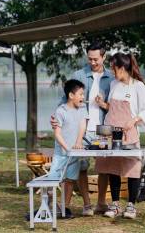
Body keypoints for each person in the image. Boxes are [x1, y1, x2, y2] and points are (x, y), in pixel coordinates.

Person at [50, 41, 114, 215]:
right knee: (81, 165)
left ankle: (101, 202)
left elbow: (114, 106)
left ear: (104, 56)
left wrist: (103, 103)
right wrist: (55, 117)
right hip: (81, 129)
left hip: (104, 128)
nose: (92, 62)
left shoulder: (112, 78)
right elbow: (66, 99)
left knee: (104, 166)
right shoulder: (79, 74)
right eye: (89, 59)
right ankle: (87, 204)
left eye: (96, 59)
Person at [95, 52, 145, 219]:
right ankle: (114, 205)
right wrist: (102, 104)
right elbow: (111, 109)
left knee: (132, 169)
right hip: (109, 132)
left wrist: (134, 120)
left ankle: (131, 206)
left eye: (114, 68)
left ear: (121, 68)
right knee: (112, 168)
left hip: (128, 132)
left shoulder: (138, 86)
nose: (112, 72)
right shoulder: (113, 84)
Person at [46, 79, 91, 217]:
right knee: (54, 179)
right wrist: (67, 148)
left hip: (75, 153)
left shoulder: (82, 109)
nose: (83, 97)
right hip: (62, 153)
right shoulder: (61, 111)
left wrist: (78, 142)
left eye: (83, 95)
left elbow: (83, 126)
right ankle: (48, 204)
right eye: (81, 94)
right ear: (71, 95)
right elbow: (58, 134)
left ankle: (63, 207)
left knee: (70, 180)